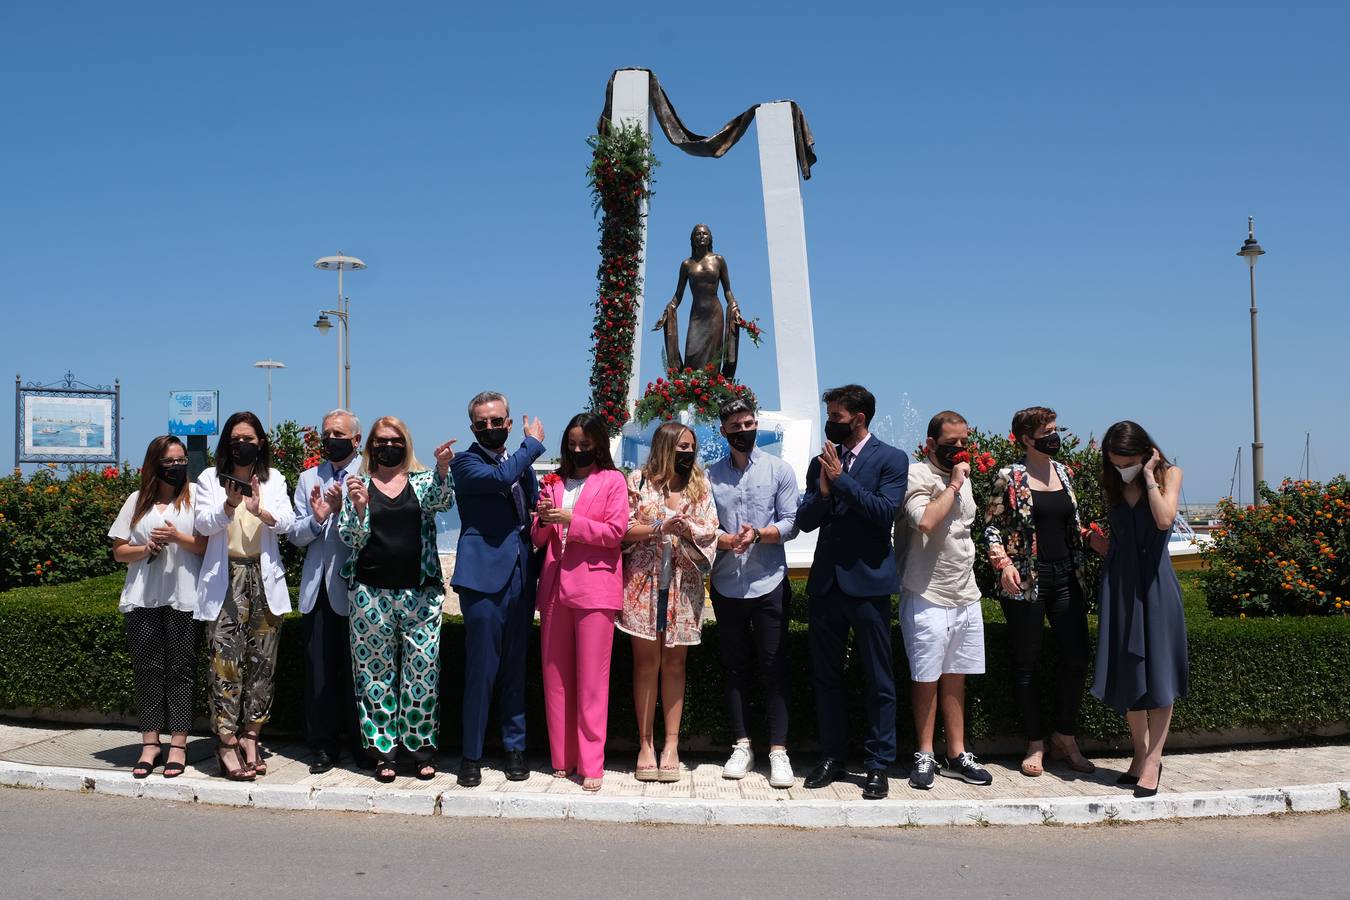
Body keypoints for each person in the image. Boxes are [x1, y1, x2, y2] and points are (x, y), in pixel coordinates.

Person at [796, 384, 908, 800]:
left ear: (859, 418)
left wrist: (841, 481)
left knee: (878, 678)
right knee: (826, 677)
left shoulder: (892, 459)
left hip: (868, 585)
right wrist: (825, 492)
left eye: (837, 417)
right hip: (826, 585)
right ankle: (831, 755)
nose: (831, 423)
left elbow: (883, 513)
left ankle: (878, 764)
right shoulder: (820, 463)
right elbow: (806, 520)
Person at [338, 416, 456, 782]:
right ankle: (383, 753)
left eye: (395, 441)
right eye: (380, 441)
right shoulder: (358, 485)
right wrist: (359, 508)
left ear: (405, 444)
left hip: (419, 593)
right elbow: (350, 538)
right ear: (370, 446)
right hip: (370, 596)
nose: (388, 447)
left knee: (422, 672)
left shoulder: (421, 482)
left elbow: (443, 500)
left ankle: (421, 750)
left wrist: (442, 466)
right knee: (375, 676)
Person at [984, 406, 1095, 778]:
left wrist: (1092, 539)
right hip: (1026, 579)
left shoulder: (1063, 472)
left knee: (1077, 657)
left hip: (1066, 575)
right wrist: (1004, 564)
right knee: (1026, 662)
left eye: (1054, 428)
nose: (1054, 435)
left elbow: (1067, 525)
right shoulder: (1009, 476)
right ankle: (1035, 743)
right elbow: (990, 527)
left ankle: (1065, 736)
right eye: (1047, 430)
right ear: (1027, 438)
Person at [449, 392, 545, 787]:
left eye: (496, 421)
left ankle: (514, 749)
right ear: (473, 427)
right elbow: (497, 480)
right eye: (482, 422)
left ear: (507, 423)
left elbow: (533, 506)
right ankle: (470, 755)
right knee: (481, 669)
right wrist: (532, 445)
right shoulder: (465, 462)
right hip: (482, 578)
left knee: (514, 667)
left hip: (521, 574)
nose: (489, 427)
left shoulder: (519, 463)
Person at [1089, 421, 1189, 798]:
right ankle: (1140, 754)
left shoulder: (1169, 474)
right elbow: (1118, 537)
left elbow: (1164, 520)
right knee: (1129, 673)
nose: (1120, 468)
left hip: (1156, 583)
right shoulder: (1112, 483)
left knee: (1159, 674)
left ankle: (1153, 761)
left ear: (1146, 452)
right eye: (1114, 462)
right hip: (1120, 584)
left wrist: (1147, 476)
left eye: (1127, 461)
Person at [194, 411, 295, 780]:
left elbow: (287, 523)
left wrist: (260, 510)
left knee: (262, 664)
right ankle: (225, 741)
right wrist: (229, 506)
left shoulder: (275, 479)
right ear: (226, 442)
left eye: (249, 438)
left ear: (261, 442)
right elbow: (202, 523)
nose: (242, 444)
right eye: (236, 438)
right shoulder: (209, 478)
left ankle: (252, 737)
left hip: (263, 577)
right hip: (226, 577)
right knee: (225, 663)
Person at [531, 413, 629, 792]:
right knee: (555, 678)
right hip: (555, 587)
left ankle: (591, 763)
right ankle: (561, 757)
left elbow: (616, 532)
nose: (577, 449)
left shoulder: (612, 481)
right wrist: (542, 519)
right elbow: (539, 539)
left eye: (585, 445)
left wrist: (571, 519)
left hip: (594, 590)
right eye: (572, 443)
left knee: (592, 680)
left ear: (598, 445)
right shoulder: (553, 481)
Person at [896, 411, 992, 790]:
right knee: (925, 677)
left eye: (964, 443)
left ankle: (956, 754)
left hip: (965, 592)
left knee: (956, 676)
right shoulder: (917, 475)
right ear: (931, 443)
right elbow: (924, 521)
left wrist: (958, 482)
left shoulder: (964, 477)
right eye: (951, 443)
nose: (959, 450)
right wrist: (952, 485)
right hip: (926, 591)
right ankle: (924, 753)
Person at [706, 397, 799, 789]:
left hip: (769, 581)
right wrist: (723, 540)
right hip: (727, 584)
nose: (744, 430)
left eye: (749, 423)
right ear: (723, 430)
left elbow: (792, 521)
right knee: (735, 667)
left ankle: (779, 750)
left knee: (774, 665)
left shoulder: (779, 469)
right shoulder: (710, 475)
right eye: (736, 425)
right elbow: (705, 523)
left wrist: (760, 534)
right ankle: (742, 743)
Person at [619, 422, 718, 782]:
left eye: (691, 447)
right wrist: (659, 528)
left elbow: (710, 529)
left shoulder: (699, 485)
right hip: (642, 584)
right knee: (646, 664)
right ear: (664, 448)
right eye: (681, 447)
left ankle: (671, 745)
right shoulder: (638, 482)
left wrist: (686, 528)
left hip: (683, 584)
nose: (687, 453)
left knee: (675, 665)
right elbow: (622, 529)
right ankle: (645, 745)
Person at [109, 435, 207, 779]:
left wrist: (177, 538)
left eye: (181, 460)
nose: (177, 467)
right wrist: (145, 548)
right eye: (169, 462)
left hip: (185, 595)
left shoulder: (196, 496)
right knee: (147, 668)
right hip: (143, 595)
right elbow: (119, 550)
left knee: (181, 669)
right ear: (154, 464)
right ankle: (150, 743)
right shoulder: (137, 501)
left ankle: (178, 744)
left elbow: (208, 546)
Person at [288, 408, 364, 774]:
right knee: (319, 673)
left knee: (358, 672)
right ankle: (322, 746)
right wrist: (319, 517)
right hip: (318, 587)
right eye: (327, 433)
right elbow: (296, 535)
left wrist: (346, 508)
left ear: (356, 440)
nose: (331, 439)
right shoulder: (307, 480)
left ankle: (363, 745)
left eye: (339, 433)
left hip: (358, 588)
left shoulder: (368, 475)